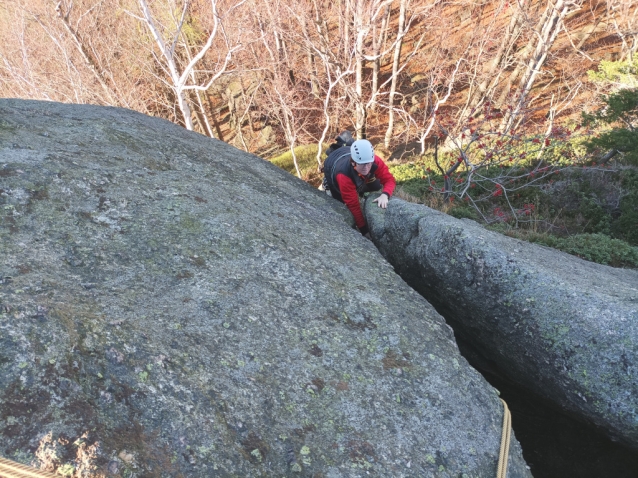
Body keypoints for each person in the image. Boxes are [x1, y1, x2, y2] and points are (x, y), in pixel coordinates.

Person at [322, 138, 396, 239]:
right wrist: (364, 231)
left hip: (346, 153)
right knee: (339, 203)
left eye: (369, 163)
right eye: (362, 164)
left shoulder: (373, 160)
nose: (366, 167)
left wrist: (385, 195)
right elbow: (353, 206)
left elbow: (389, 179)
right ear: (353, 163)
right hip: (332, 164)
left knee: (376, 186)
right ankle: (327, 181)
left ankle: (358, 187)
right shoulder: (343, 175)